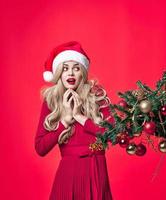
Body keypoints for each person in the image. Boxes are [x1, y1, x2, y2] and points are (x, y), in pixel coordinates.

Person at [35, 41, 113, 200]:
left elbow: (113, 134)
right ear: (59, 73)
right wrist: (64, 122)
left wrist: (80, 117)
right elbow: (40, 148)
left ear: (83, 72)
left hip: (96, 171)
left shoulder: (97, 97)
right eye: (65, 69)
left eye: (76, 68)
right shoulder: (52, 100)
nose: (70, 73)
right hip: (68, 174)